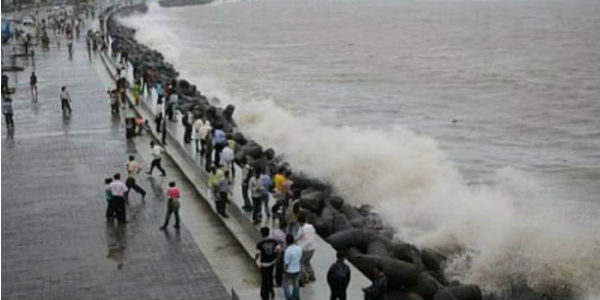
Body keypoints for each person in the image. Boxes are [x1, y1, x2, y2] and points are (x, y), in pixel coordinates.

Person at [255, 227, 280, 300]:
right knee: (270, 277)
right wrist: (277, 259)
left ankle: (264, 295)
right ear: (269, 233)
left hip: (264, 264)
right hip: (272, 262)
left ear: (261, 234)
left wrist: (256, 262)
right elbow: (278, 250)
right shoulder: (274, 241)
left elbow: (257, 255)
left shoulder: (259, 244)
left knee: (264, 280)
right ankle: (271, 292)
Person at [298, 214, 316, 284]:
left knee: (300, 262)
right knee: (307, 262)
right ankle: (312, 275)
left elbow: (301, 238)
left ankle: (303, 277)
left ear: (300, 222)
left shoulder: (302, 228)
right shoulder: (311, 226)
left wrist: (300, 247)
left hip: (305, 249)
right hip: (312, 248)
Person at [283, 234, 302, 300]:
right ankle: (296, 296)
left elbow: (286, 263)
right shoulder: (299, 248)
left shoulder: (288, 251)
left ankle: (289, 297)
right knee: (296, 284)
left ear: (286, 241)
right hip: (297, 269)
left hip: (290, 270)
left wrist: (284, 271)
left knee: (285, 284)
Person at [272, 220, 288, 287]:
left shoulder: (275, 231)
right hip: (280, 252)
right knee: (279, 267)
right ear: (284, 227)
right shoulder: (283, 235)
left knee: (275, 266)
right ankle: (278, 281)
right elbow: (285, 243)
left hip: (273, 251)